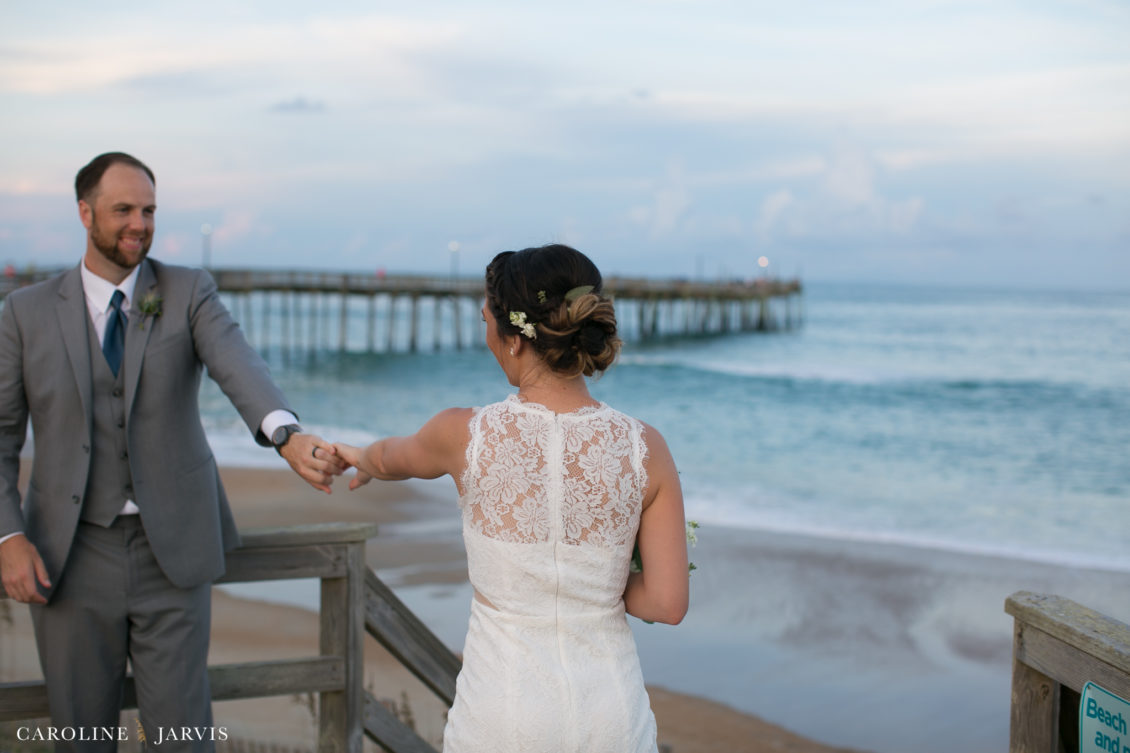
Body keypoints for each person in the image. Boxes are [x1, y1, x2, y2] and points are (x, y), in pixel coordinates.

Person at [0, 152, 346, 751]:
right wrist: (8, 538)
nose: (139, 223)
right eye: (124, 210)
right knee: (80, 737)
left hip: (174, 554)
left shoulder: (188, 291)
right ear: (85, 213)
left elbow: (237, 364)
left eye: (150, 210)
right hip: (67, 555)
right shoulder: (24, 313)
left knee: (182, 738)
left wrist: (286, 435)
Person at [333, 244, 689, 752]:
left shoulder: (464, 434)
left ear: (516, 338)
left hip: (504, 715)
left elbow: (392, 457)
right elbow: (668, 603)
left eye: (485, 320)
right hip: (612, 716)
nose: (485, 335)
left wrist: (359, 458)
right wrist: (597, 577)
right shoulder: (645, 448)